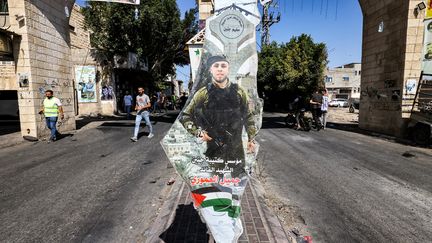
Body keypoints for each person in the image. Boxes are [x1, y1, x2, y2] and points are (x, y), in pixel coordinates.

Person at [180, 55, 257, 177]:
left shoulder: (239, 92)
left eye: (223, 66)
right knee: (216, 182)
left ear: (228, 69)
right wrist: (198, 133)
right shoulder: (203, 93)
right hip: (214, 146)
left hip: (235, 147)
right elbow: (185, 116)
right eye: (216, 66)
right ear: (211, 69)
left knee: (238, 180)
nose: (220, 69)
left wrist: (251, 139)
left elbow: (249, 117)